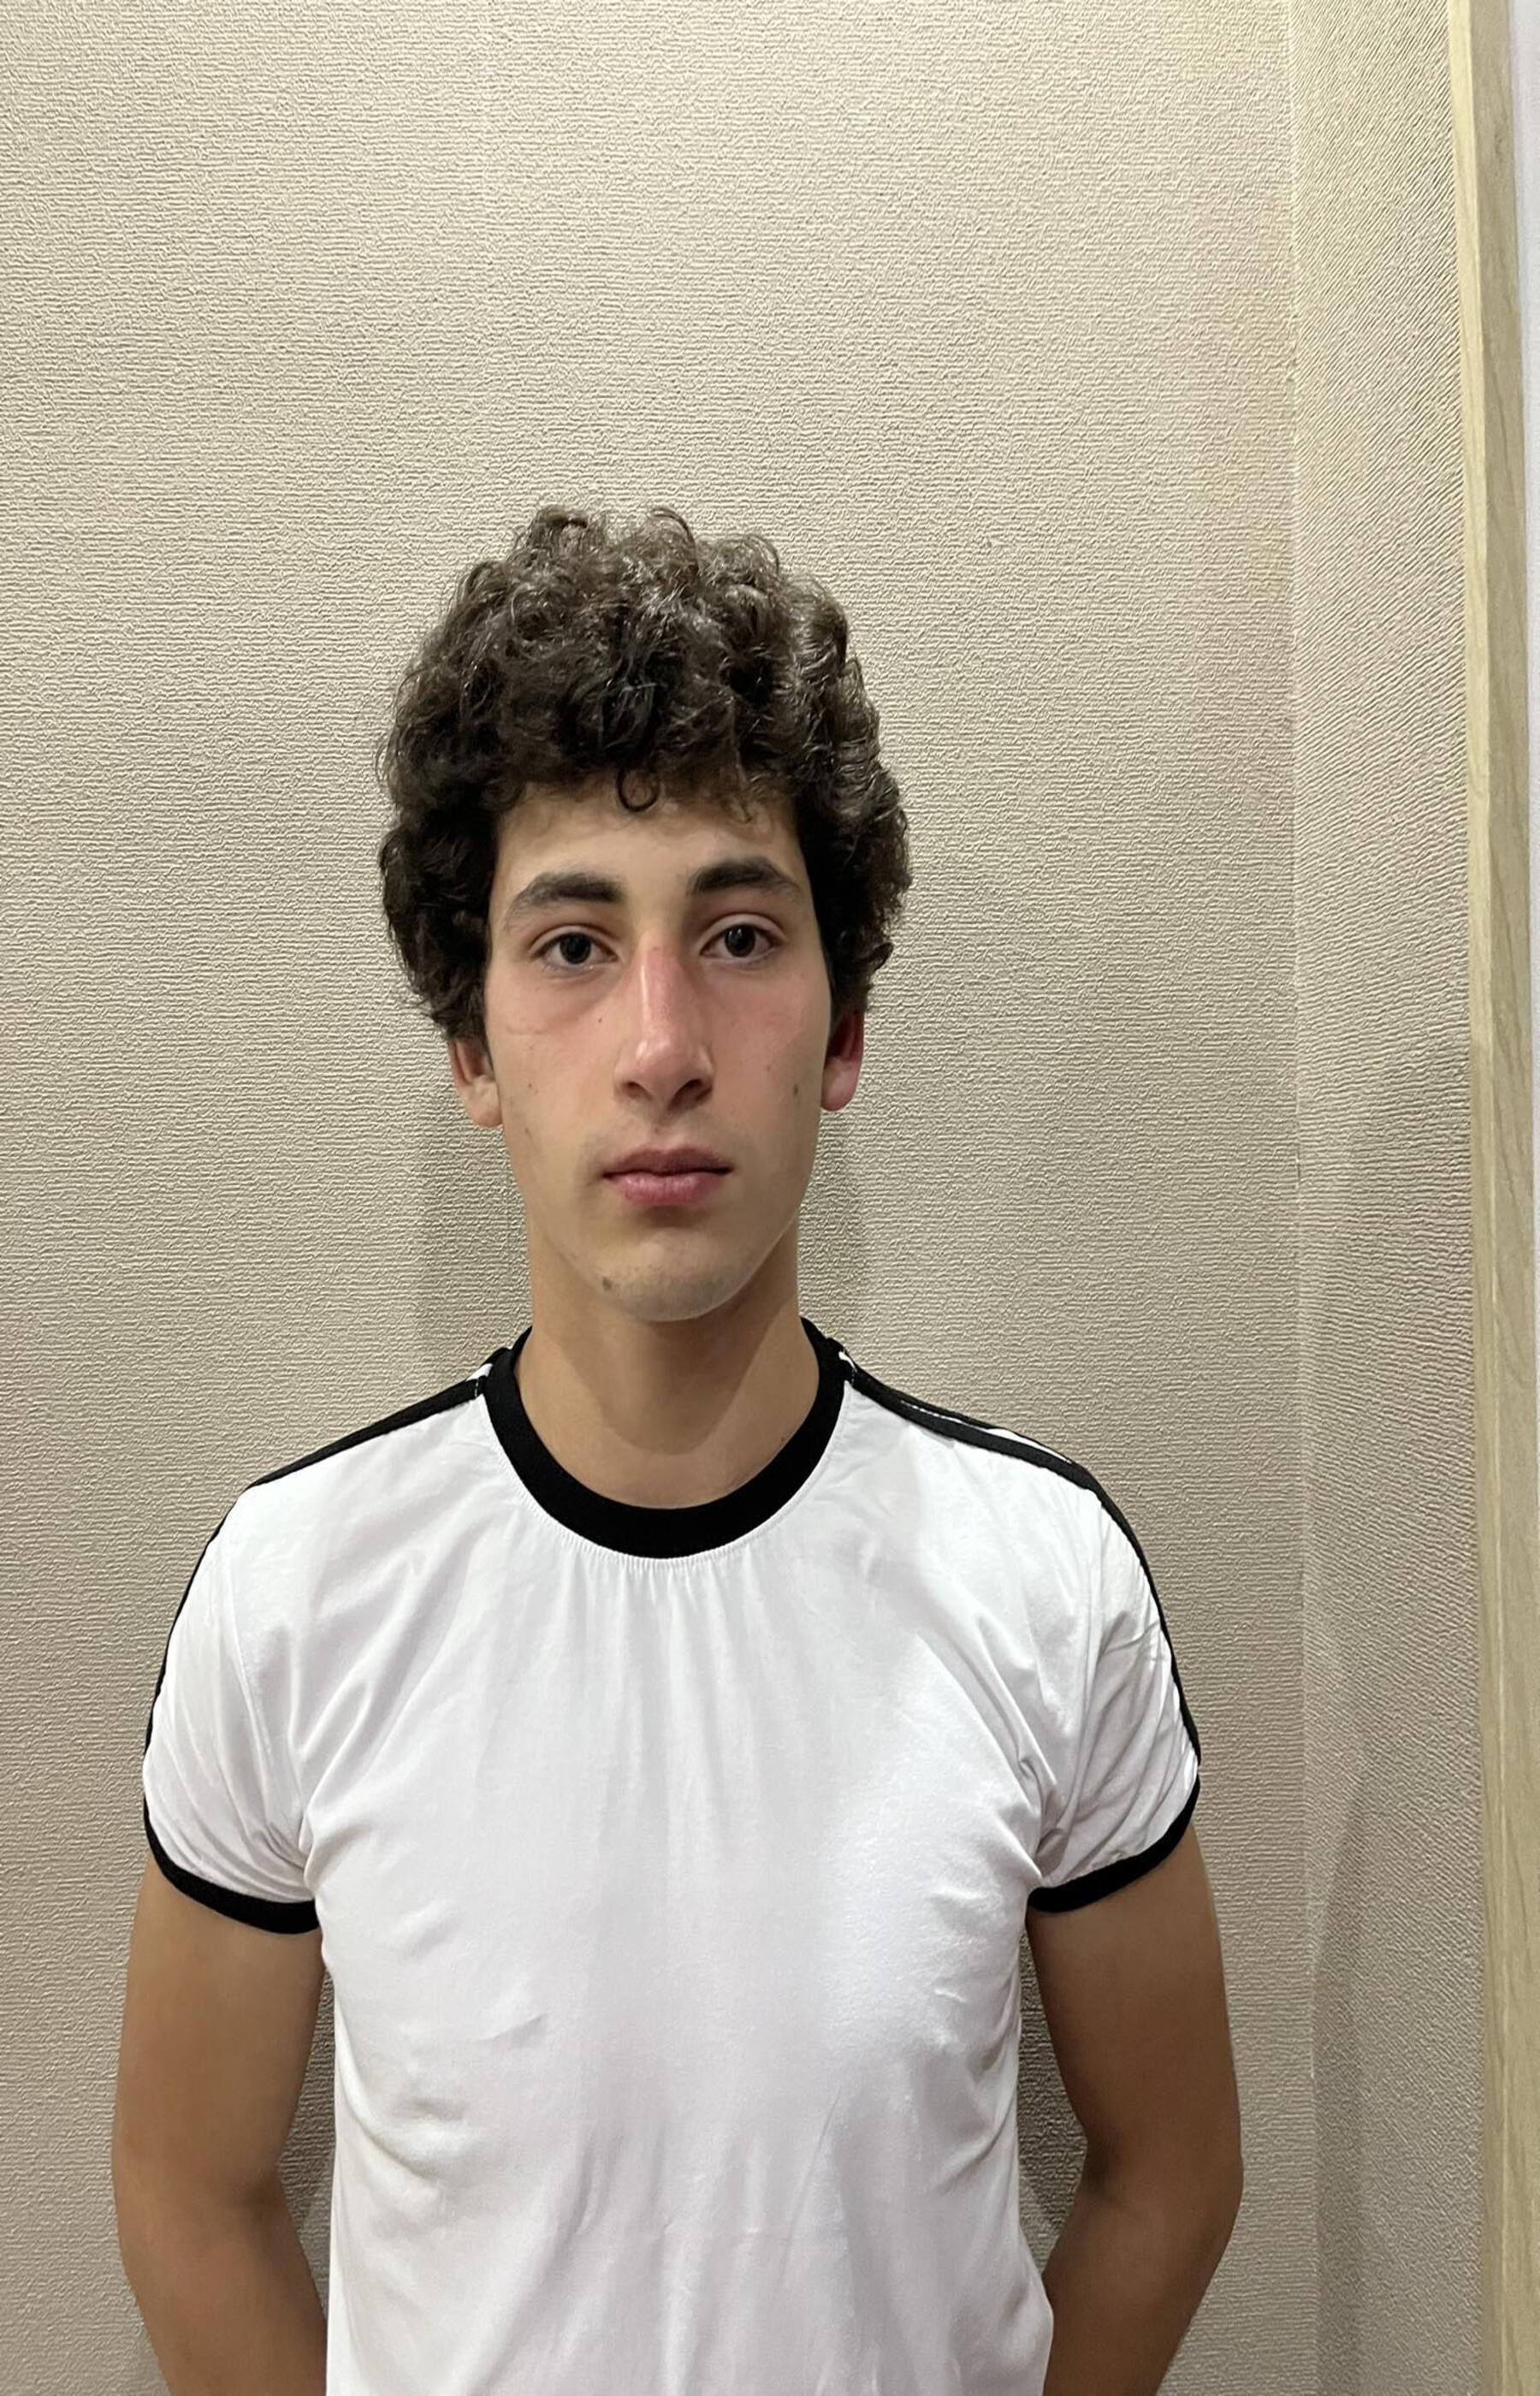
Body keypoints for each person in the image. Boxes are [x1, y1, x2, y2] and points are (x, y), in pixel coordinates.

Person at [112, 504, 1242, 2396]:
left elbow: (1175, 2172)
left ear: (843, 1026)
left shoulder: (1046, 1582)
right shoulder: (295, 1593)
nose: (660, 1043)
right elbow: (185, 2190)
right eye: (572, 942)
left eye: (737, 935)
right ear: (472, 1047)